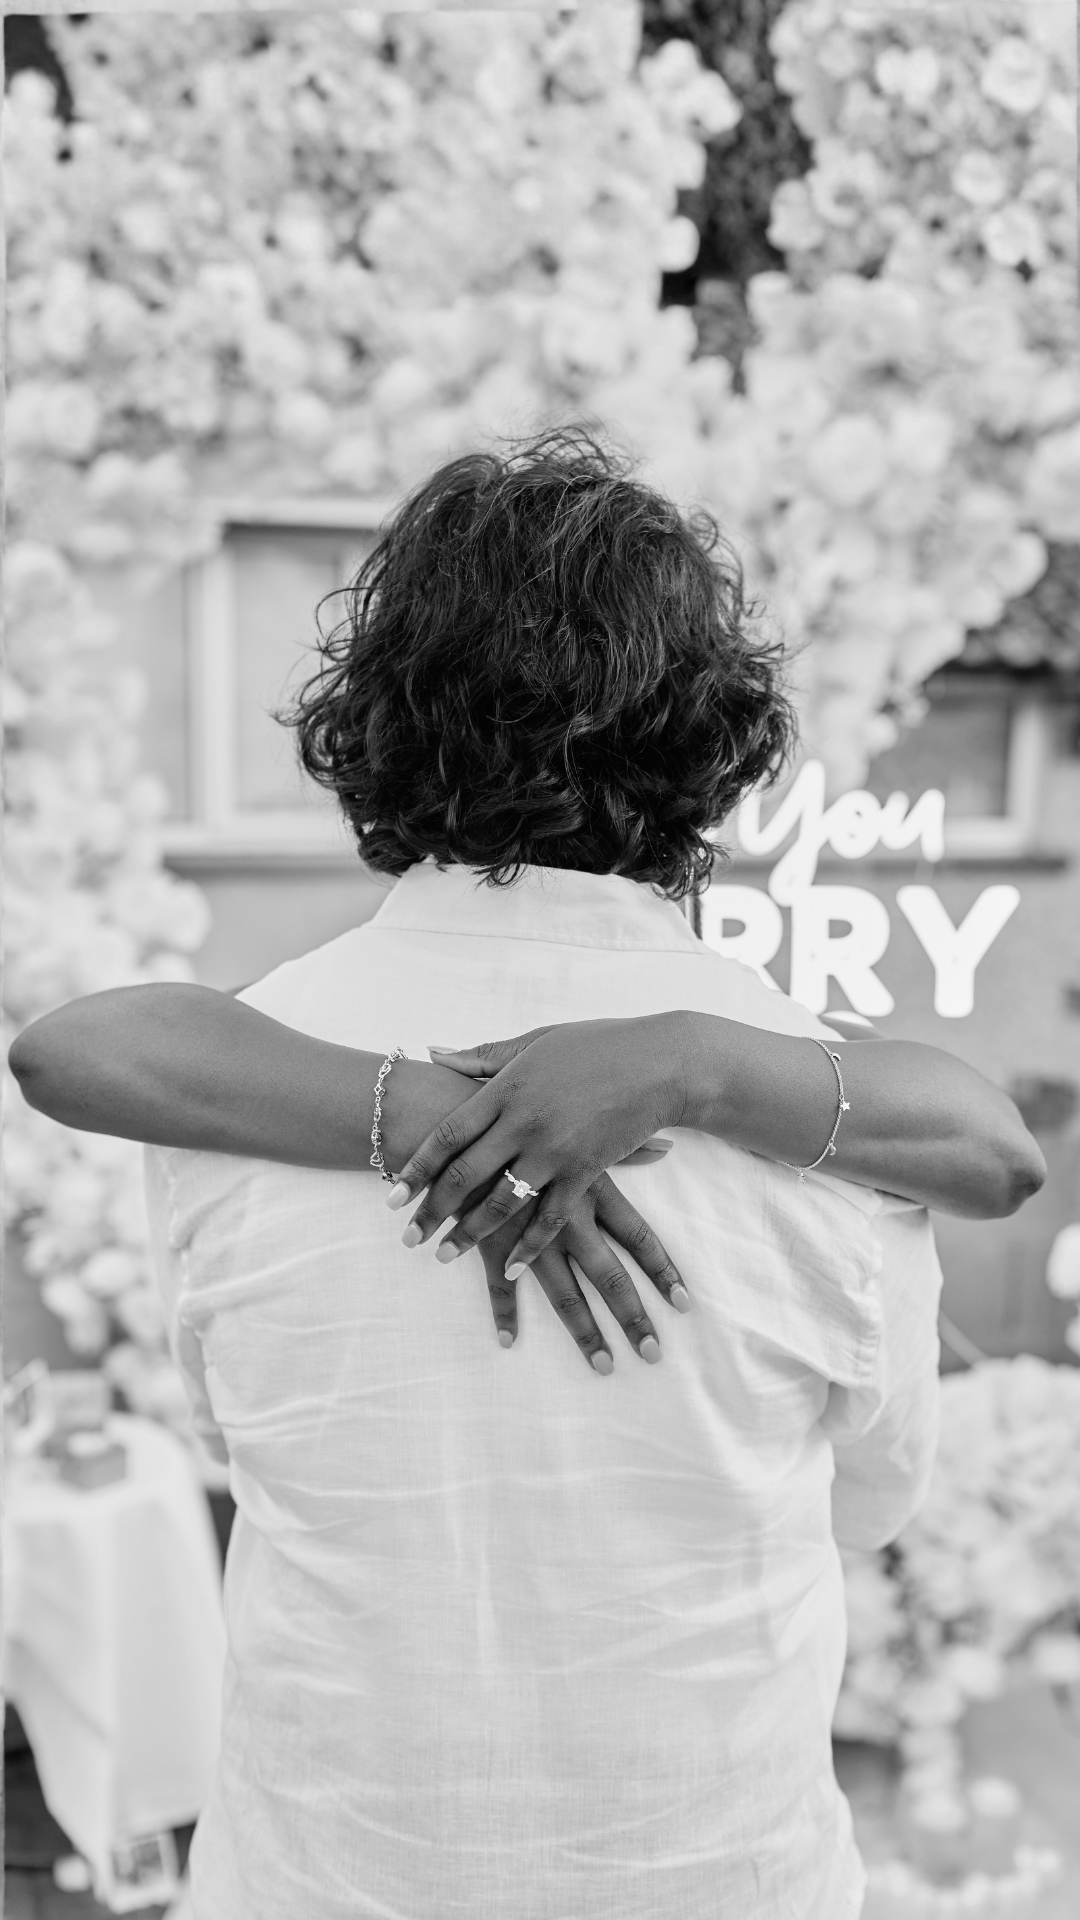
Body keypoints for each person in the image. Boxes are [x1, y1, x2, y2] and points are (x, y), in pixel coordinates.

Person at [11, 428, 1044, 1920]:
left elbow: (236, 1438)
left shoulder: (235, 1087)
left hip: (320, 1881)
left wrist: (659, 1068)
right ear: (711, 743)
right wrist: (443, 1113)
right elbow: (873, 1500)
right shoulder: (835, 1135)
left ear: (379, 721)